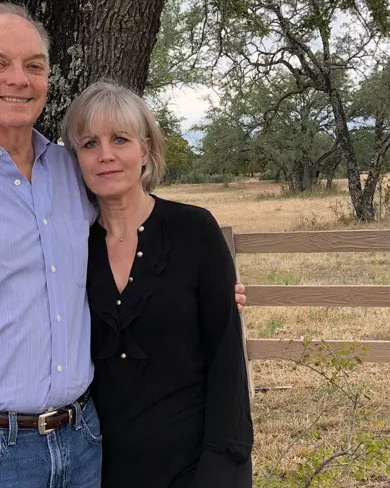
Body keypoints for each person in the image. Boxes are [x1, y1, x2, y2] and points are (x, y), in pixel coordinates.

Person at [0, 2, 248, 488]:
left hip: (84, 441)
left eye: (33, 65)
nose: (18, 79)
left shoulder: (72, 174)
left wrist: (214, 291)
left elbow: (138, 239)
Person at [61, 81, 254, 488]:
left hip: (195, 461)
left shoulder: (194, 230)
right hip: (97, 464)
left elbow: (227, 355)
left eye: (120, 139)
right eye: (90, 144)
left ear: (145, 149)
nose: (106, 155)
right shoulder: (71, 244)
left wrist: (223, 461)